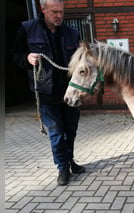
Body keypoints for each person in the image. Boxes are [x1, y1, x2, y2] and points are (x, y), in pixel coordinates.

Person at [13, 0, 85, 186]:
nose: (59, 16)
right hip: (46, 92)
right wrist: (27, 58)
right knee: (56, 132)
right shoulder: (27, 29)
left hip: (70, 92)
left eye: (61, 12)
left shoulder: (73, 33)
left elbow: (81, 62)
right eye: (54, 12)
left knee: (71, 130)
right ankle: (62, 167)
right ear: (43, 9)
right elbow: (16, 55)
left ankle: (70, 161)